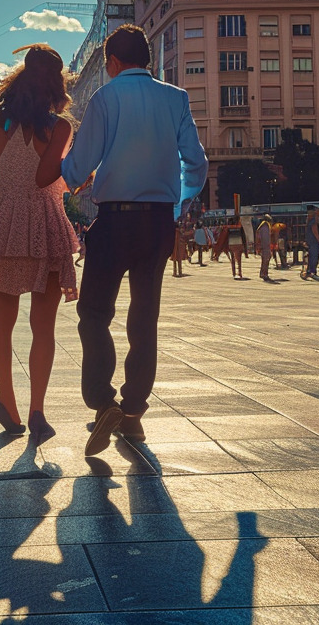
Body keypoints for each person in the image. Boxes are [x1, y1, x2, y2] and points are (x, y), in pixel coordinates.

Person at [61, 25, 208, 455]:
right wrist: (175, 204)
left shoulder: (105, 99)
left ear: (112, 63)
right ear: (147, 58)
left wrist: (62, 173)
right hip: (158, 223)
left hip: (114, 220)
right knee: (144, 319)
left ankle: (102, 401)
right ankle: (134, 412)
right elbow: (196, 165)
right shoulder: (176, 98)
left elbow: (81, 163)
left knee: (93, 312)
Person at [0, 43, 80, 444]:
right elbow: (55, 178)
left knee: (3, 321)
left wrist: (6, 183)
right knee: (42, 326)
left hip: (5, 225)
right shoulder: (60, 127)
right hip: (46, 225)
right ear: (56, 84)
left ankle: (6, 404)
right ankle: (38, 412)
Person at [302, 205, 319, 278]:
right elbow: (315, 231)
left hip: (309, 239)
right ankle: (312, 270)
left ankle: (310, 270)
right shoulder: (313, 221)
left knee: (311, 255)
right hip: (314, 240)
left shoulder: (308, 220)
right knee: (314, 255)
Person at [255, 214, 273, 281]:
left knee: (264, 261)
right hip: (265, 246)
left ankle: (262, 273)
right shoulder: (265, 227)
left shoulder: (261, 226)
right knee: (266, 261)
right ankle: (265, 274)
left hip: (263, 246)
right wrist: (267, 247)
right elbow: (266, 238)